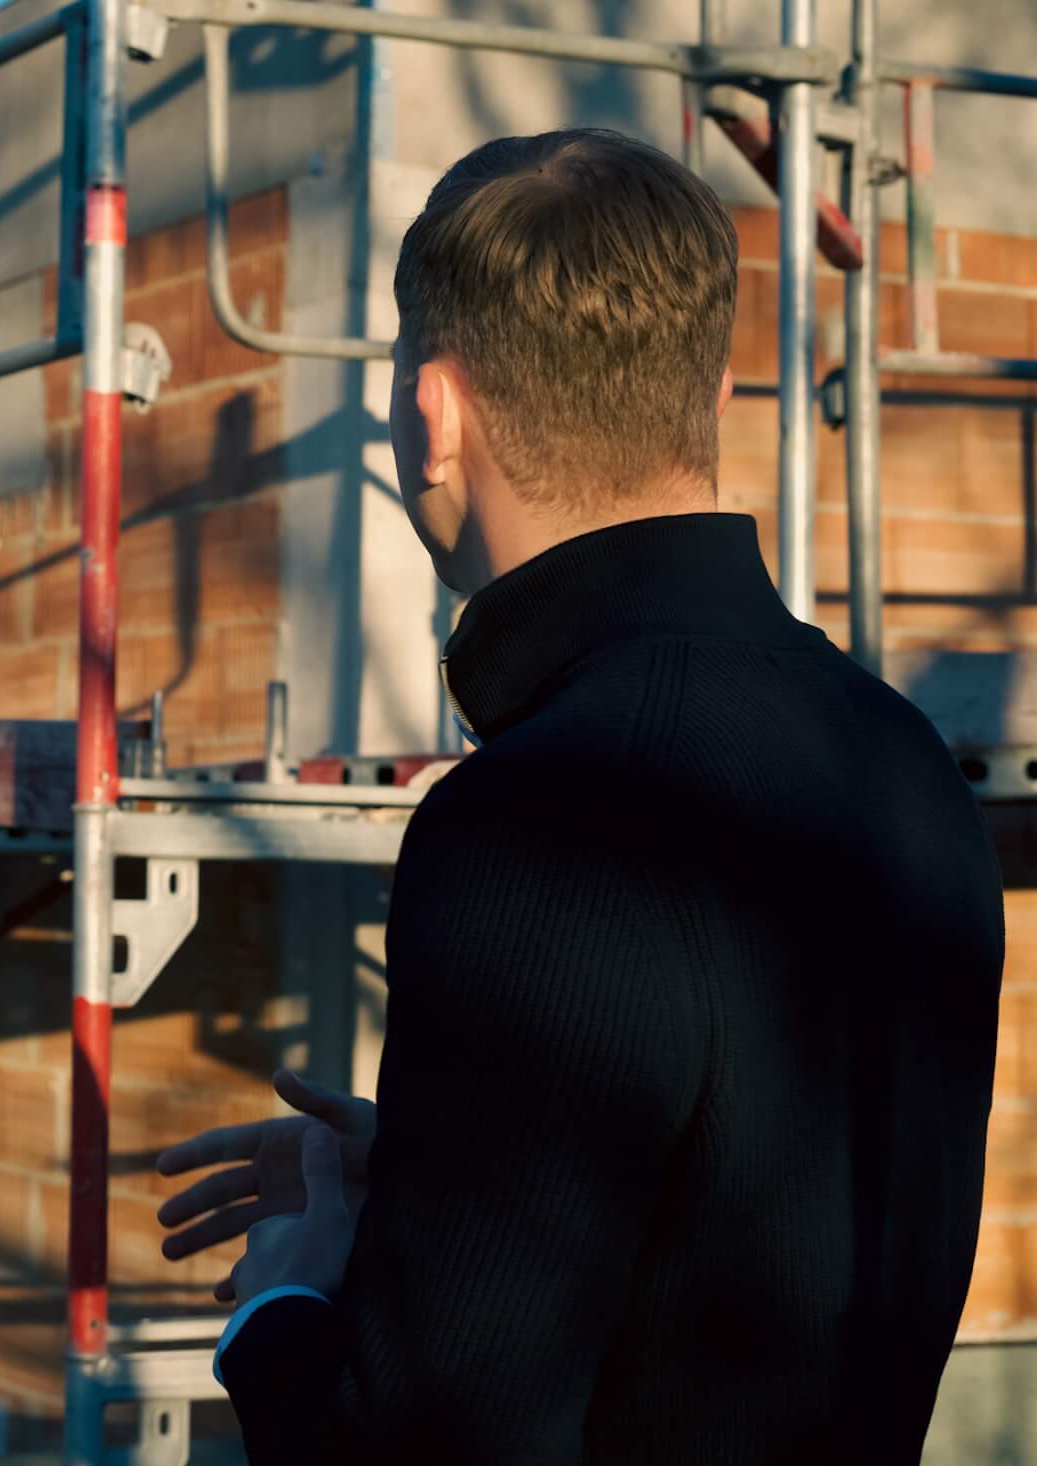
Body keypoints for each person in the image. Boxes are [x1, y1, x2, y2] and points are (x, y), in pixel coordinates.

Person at [157, 129, 1004, 1463]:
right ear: (713, 396)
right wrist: (437, 1179)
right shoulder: (902, 761)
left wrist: (282, 1296)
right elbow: (765, 1231)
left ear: (431, 415)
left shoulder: (544, 816)